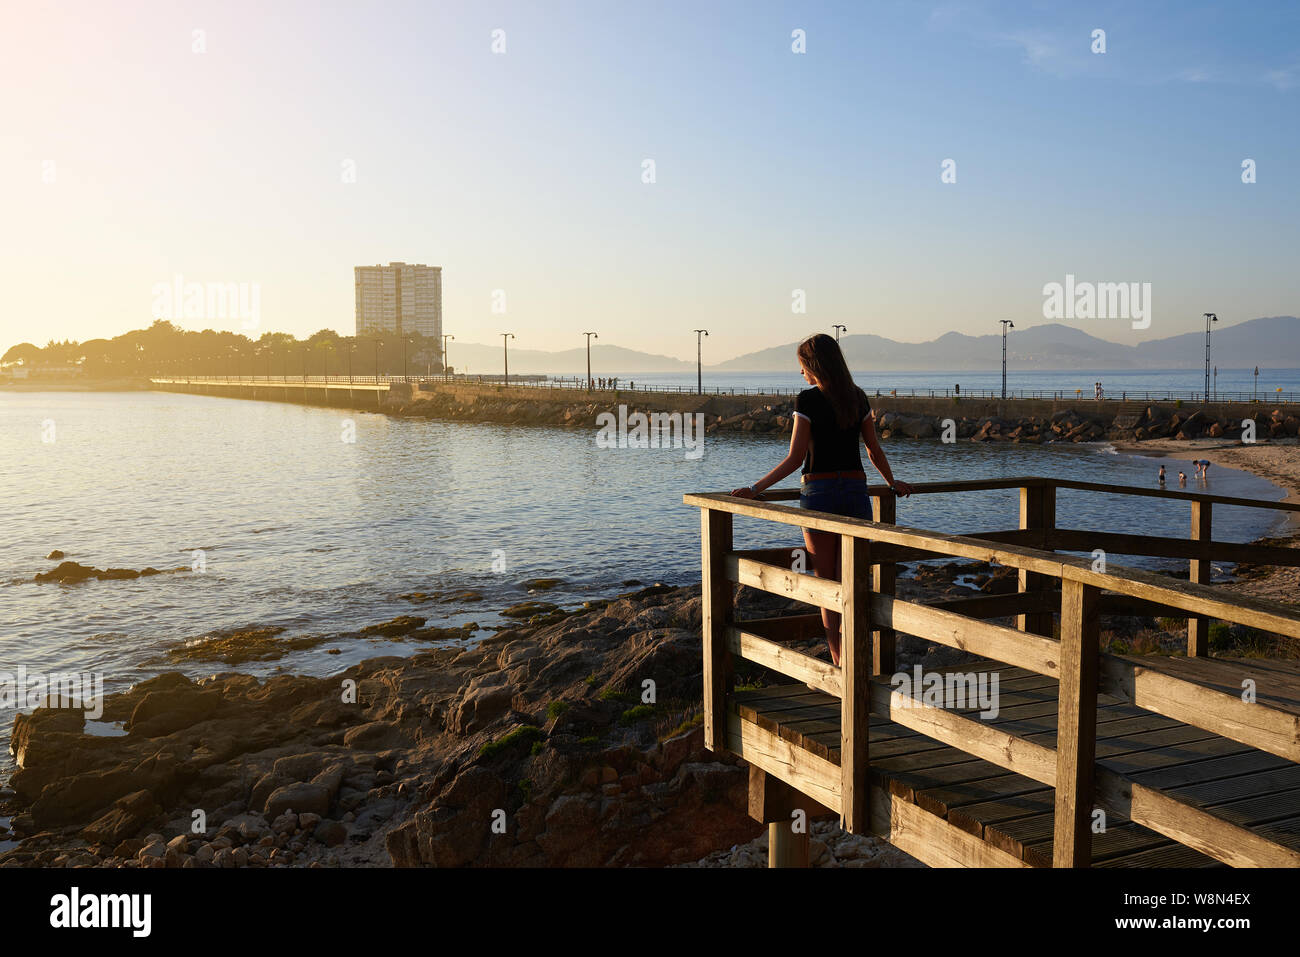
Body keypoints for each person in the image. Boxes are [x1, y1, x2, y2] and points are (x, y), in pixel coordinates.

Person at [730, 333, 913, 668]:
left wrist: (755, 489)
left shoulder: (808, 400)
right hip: (857, 493)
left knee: (827, 586)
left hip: (820, 494)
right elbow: (873, 450)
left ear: (813, 365)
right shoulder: (857, 397)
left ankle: (840, 663)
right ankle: (857, 659)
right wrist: (891, 482)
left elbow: (795, 458)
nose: (801, 374)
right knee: (851, 582)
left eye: (802, 366)